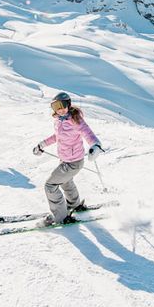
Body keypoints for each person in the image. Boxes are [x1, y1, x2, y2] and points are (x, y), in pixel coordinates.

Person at [32, 92, 102, 225]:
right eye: (55, 106)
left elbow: (87, 133)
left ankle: (61, 216)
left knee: (50, 185)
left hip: (73, 162)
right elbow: (57, 136)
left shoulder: (75, 119)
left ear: (68, 104)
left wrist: (96, 145)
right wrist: (42, 144)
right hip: (66, 160)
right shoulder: (59, 120)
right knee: (66, 181)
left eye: (62, 105)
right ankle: (75, 205)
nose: (60, 109)